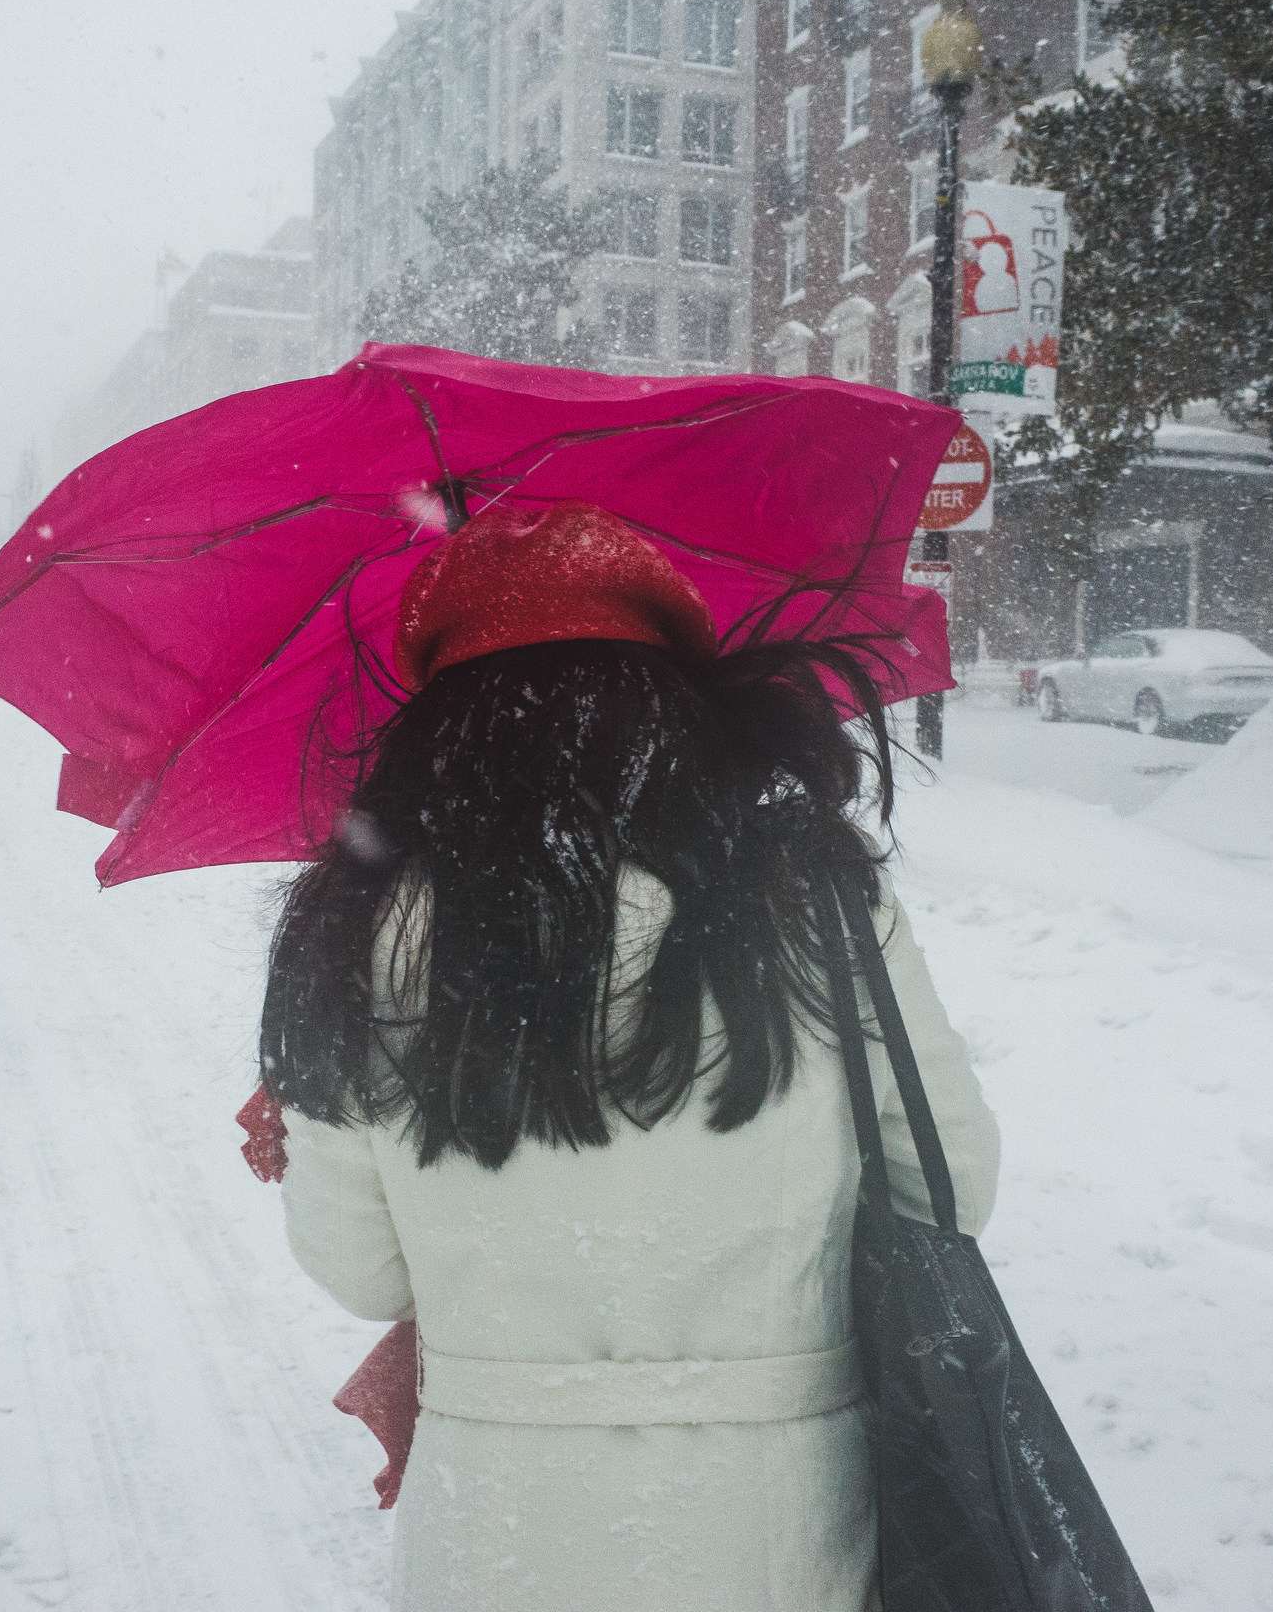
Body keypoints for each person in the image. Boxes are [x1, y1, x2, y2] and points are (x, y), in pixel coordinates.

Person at [262, 506, 999, 1612]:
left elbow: (360, 1270)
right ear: (675, 708)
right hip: (785, 1513)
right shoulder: (816, 898)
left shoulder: (358, 936)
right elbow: (951, 1187)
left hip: (497, 1524)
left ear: (439, 736)